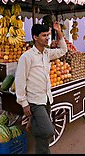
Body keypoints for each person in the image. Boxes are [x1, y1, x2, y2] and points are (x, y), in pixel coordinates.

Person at [15, 21, 67, 154]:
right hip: (35, 100)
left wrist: (59, 32)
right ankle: (33, 124)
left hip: (47, 98)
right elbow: (20, 81)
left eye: (48, 35)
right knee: (48, 130)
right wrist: (24, 103)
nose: (47, 38)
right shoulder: (26, 57)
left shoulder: (47, 53)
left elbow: (63, 50)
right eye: (44, 35)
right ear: (35, 37)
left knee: (42, 137)